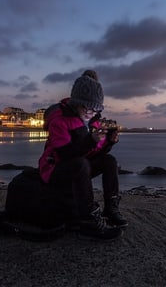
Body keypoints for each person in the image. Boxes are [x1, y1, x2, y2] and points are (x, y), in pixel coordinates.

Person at [38, 70, 127, 240]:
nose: (91, 112)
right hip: (54, 168)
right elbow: (64, 154)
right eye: (87, 107)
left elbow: (94, 152)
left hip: (79, 165)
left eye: (95, 109)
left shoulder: (93, 120)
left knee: (109, 161)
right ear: (77, 102)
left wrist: (108, 142)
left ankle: (111, 207)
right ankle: (88, 221)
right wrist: (91, 141)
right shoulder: (60, 120)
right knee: (81, 164)